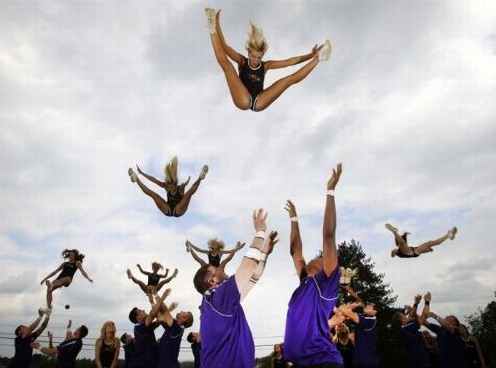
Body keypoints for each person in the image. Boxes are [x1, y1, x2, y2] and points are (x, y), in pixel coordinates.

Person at [193, 209, 278, 368]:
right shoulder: (217, 299)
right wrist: (260, 232)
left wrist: (264, 253)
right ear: (212, 281)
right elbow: (249, 265)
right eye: (216, 269)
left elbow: (253, 276)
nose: (221, 269)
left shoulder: (221, 304)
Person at [204, 8, 332, 112]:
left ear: (262, 55)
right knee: (227, 67)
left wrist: (310, 56)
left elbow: (289, 62)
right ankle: (211, 29)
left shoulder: (266, 66)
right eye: (253, 56)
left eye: (259, 57)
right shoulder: (242, 60)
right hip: (242, 99)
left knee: (288, 80)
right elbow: (225, 48)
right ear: (248, 53)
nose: (255, 60)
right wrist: (217, 26)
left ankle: (319, 58)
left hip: (259, 101)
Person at [283, 163, 343, 368]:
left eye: (319, 258)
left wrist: (330, 191)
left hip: (322, 360)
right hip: (300, 363)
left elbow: (328, 235)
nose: (313, 258)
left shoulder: (325, 284)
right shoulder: (304, 282)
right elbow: (295, 251)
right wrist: (293, 218)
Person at [128, 157, 208, 218]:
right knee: (153, 194)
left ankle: (200, 177)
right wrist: (142, 173)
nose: (170, 189)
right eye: (169, 187)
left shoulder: (180, 188)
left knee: (189, 193)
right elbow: (154, 180)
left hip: (179, 210)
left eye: (172, 187)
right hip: (168, 209)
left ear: (175, 185)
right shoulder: (166, 186)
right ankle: (136, 179)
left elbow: (192, 188)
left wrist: (194, 180)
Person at [128, 289, 171, 368]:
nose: (143, 310)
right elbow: (153, 314)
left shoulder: (147, 327)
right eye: (140, 311)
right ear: (138, 317)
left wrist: (170, 309)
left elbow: (159, 319)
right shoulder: (139, 329)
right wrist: (162, 297)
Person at [391, 293, 432, 368]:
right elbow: (424, 317)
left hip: (414, 360)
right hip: (421, 360)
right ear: (402, 320)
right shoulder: (408, 328)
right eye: (404, 316)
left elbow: (411, 315)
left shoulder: (402, 329)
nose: (407, 316)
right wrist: (427, 301)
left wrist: (416, 303)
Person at [423, 297, 466, 368]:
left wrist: (435, 316)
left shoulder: (456, 330)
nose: (446, 316)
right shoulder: (439, 329)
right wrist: (426, 303)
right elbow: (424, 322)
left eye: (449, 317)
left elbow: (449, 327)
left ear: (454, 323)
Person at [154, 295, 194, 368]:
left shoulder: (177, 328)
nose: (181, 311)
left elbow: (164, 310)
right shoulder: (174, 326)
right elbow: (160, 316)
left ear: (184, 319)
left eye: (184, 313)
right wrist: (152, 302)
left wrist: (156, 294)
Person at [386, 224, 457, 258]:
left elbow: (421, 251)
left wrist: (427, 251)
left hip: (415, 251)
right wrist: (394, 253)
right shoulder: (399, 252)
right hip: (409, 253)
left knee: (430, 243)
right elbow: (393, 255)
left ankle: (448, 235)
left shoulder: (401, 247)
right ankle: (394, 232)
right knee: (401, 243)